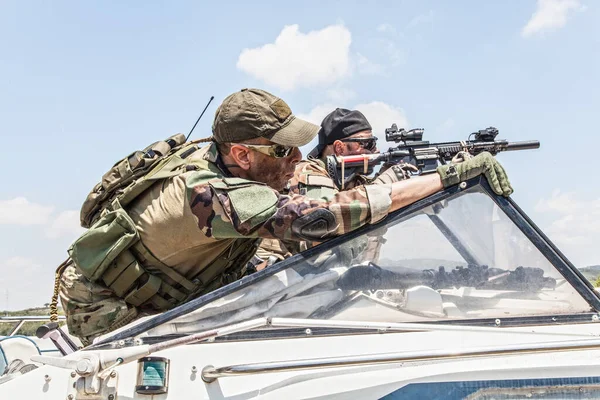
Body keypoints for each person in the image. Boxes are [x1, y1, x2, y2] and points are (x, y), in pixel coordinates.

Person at [59, 88, 513, 344]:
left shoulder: (214, 163)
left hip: (170, 285)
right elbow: (318, 218)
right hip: (111, 311)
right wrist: (450, 177)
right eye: (282, 148)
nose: (298, 157)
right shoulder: (210, 194)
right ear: (241, 154)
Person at [257, 108, 416, 263]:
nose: (375, 150)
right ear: (339, 147)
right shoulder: (308, 174)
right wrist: (388, 181)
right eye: (367, 144)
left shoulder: (354, 181)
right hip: (283, 276)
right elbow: (324, 233)